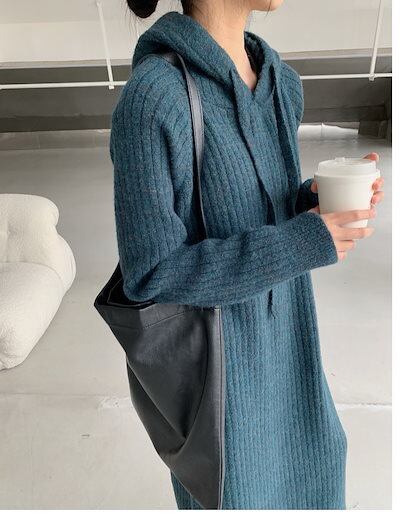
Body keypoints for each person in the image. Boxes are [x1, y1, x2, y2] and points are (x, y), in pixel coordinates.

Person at [111, 0, 385, 509]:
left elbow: (256, 210)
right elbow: (150, 274)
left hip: (294, 361)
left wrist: (312, 203)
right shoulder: (153, 100)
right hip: (224, 391)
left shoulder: (280, 83)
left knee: (321, 474)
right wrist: (303, 241)